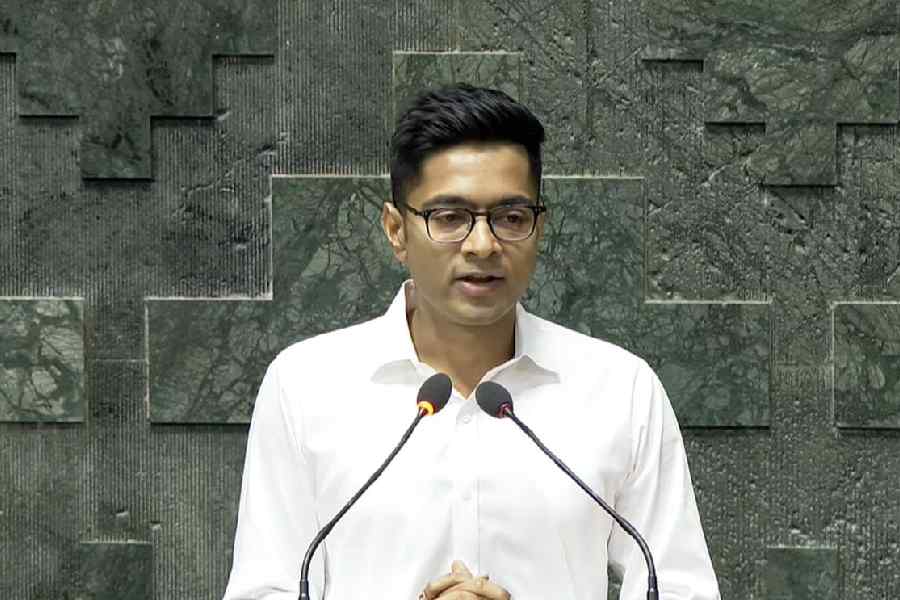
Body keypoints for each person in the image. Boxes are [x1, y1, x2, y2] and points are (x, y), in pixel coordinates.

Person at [222, 84, 721, 599]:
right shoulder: (307, 386)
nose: (483, 245)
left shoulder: (620, 390)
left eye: (510, 218)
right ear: (396, 230)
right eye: (450, 217)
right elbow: (266, 589)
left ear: (539, 228)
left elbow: (682, 590)